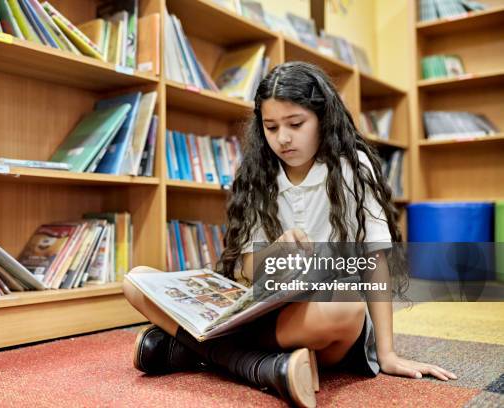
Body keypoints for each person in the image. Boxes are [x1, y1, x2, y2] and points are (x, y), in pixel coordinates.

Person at [123, 62, 457, 408]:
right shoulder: (257, 172)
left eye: (296, 124)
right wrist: (275, 250)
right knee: (137, 280)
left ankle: (197, 350)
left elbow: (375, 260)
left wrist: (387, 353)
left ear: (323, 118)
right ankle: (265, 366)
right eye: (271, 127)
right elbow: (250, 272)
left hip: (319, 321)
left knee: (347, 303)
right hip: (263, 314)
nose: (283, 138)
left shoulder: (352, 166)